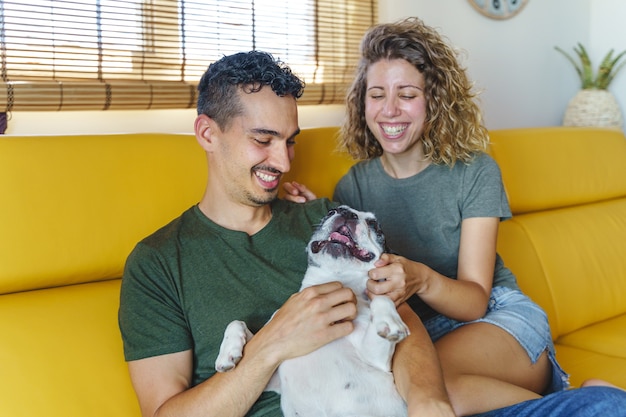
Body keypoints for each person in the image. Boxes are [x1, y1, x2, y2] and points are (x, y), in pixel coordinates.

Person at [283, 17, 625, 416]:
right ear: (363, 103)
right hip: (416, 334)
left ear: (435, 100)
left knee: (425, 389)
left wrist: (420, 277)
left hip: (498, 318)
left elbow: (475, 300)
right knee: (414, 387)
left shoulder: (475, 172)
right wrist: (318, 217)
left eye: (406, 94)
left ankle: (590, 404)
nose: (389, 109)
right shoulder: (353, 187)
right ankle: (576, 402)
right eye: (376, 94)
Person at [118, 50, 455, 417]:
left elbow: (400, 316)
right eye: (263, 140)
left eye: (290, 141)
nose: (283, 162)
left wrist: (427, 400)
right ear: (207, 133)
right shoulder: (158, 263)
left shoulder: (328, 224)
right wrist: (273, 343)